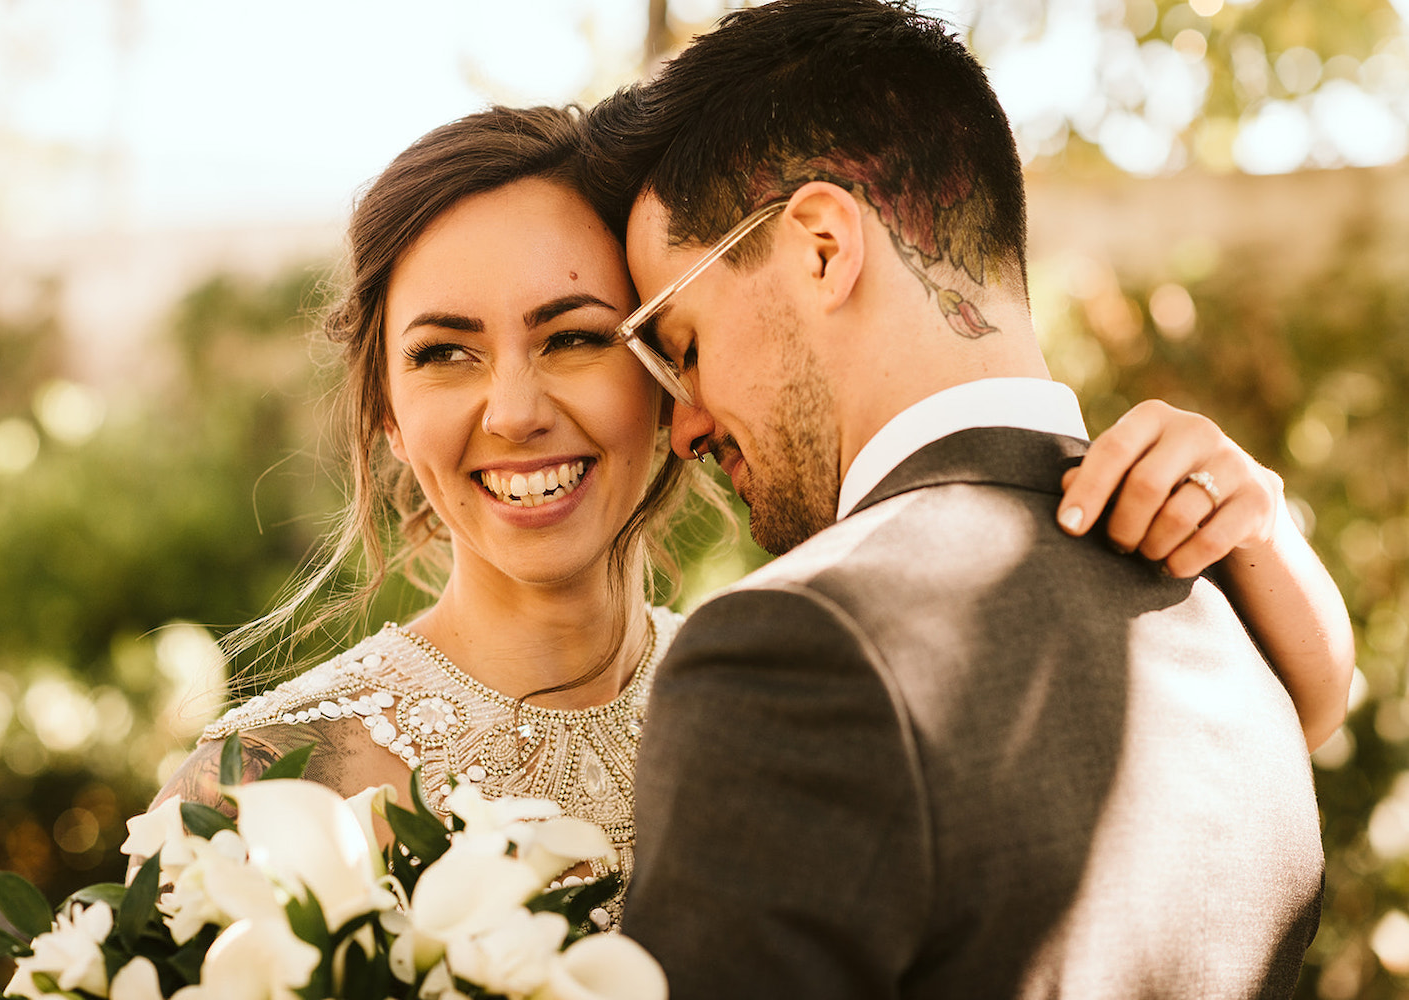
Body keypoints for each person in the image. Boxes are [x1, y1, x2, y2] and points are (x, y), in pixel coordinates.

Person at [152, 101, 1343, 916]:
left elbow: (1193, 770)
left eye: (573, 337)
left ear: (673, 365)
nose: (512, 410)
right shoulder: (261, 781)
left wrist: (1250, 539)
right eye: (445, 355)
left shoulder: (823, 684)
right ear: (384, 413)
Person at [584, 0, 1349, 995]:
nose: (683, 427)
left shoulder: (797, 643)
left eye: (684, 346)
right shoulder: (1246, 627)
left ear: (821, 245)